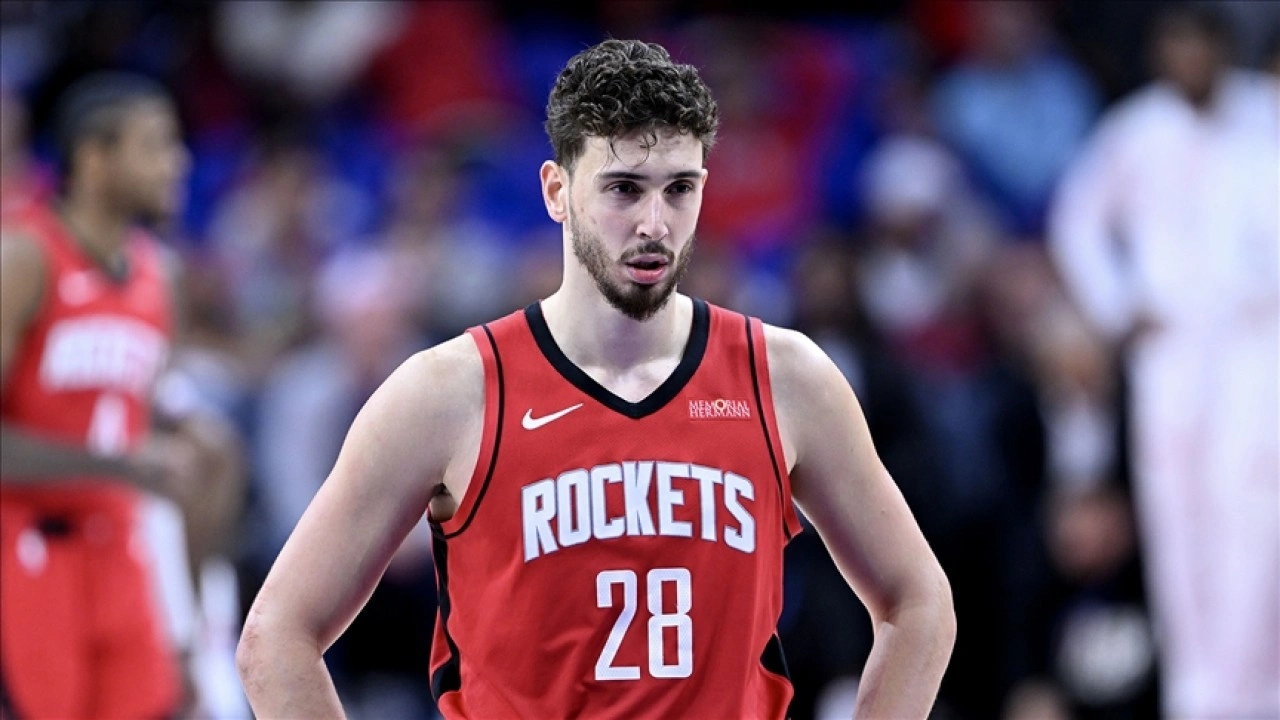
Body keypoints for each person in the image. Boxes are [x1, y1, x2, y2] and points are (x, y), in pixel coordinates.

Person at [237, 39, 956, 719]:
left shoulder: (786, 378)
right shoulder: (448, 393)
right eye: (623, 188)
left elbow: (919, 602)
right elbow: (277, 636)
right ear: (557, 190)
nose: (655, 223)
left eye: (679, 188)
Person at [1048, 5, 1279, 717]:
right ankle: (1195, 693)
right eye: (1174, 45)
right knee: (1176, 517)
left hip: (1255, 346)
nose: (1187, 58)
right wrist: (1117, 307)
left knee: (1255, 515)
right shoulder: (1136, 130)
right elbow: (1076, 220)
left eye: (1199, 43)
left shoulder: (1264, 115)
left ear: (1222, 48)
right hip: (1170, 351)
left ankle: (1254, 692)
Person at [0, 72, 208, 718]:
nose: (179, 162)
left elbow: (149, 420)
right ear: (94, 160)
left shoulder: (161, 275)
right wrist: (119, 465)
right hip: (28, 550)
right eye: (155, 144)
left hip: (122, 549)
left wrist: (187, 434)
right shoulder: (25, 259)